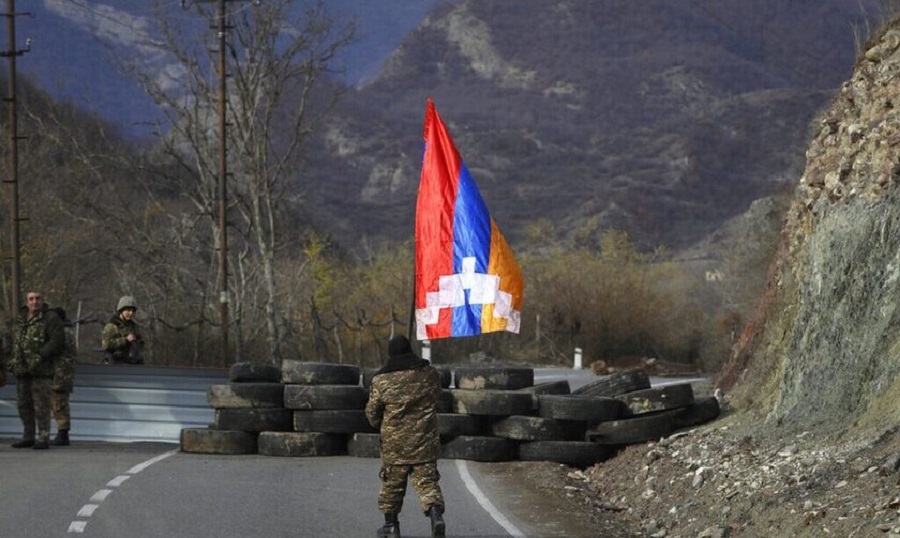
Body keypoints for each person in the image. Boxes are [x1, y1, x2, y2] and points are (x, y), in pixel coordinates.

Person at [365, 335, 446, 538]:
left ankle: (391, 526)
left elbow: (372, 413)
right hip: (425, 441)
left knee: (392, 485)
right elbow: (437, 395)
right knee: (427, 482)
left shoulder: (381, 380)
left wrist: (381, 426)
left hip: (396, 445)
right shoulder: (429, 374)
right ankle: (436, 515)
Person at [8, 291, 66, 450]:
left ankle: (43, 437)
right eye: (31, 299)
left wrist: (40, 355)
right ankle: (28, 436)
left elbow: (57, 341)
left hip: (42, 371)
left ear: (42, 300)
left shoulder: (50, 318)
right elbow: (9, 339)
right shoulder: (19, 319)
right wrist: (10, 361)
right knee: (23, 405)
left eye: (38, 298)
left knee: (41, 406)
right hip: (22, 370)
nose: (35, 302)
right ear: (27, 302)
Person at [49, 307, 77, 446]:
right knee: (58, 403)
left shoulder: (63, 333)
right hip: (62, 372)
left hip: (61, 374)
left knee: (59, 403)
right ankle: (62, 432)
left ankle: (63, 433)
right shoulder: (66, 331)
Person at [102, 296, 143, 365]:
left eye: (133, 311)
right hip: (116, 363)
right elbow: (106, 344)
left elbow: (140, 344)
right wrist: (125, 340)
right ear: (121, 310)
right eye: (128, 310)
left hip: (133, 362)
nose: (131, 313)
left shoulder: (134, 326)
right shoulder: (112, 326)